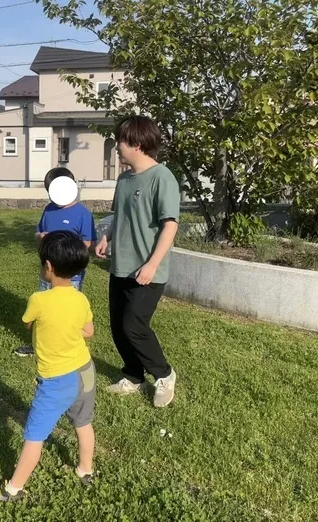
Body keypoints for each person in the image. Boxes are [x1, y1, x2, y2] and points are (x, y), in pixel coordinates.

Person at [0, 231, 97, 502]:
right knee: (83, 423)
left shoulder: (39, 300)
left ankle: (13, 489)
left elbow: (28, 323)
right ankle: (85, 470)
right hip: (86, 370)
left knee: (34, 437)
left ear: (48, 267)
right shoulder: (81, 298)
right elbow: (88, 331)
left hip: (58, 380)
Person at [96, 115, 180, 408]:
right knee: (119, 326)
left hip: (147, 269)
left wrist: (152, 264)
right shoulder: (124, 179)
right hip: (121, 266)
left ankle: (164, 374)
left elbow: (170, 225)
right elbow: (121, 215)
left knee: (134, 324)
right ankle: (133, 375)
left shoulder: (162, 178)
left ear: (136, 143)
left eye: (120, 140)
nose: (117, 146)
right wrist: (107, 236)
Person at [13, 167, 97, 357]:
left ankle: (67, 345)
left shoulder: (83, 214)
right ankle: (38, 344)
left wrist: (65, 242)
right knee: (44, 307)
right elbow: (38, 231)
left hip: (70, 274)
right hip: (48, 271)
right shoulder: (49, 209)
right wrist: (41, 236)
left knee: (66, 310)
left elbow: (90, 243)